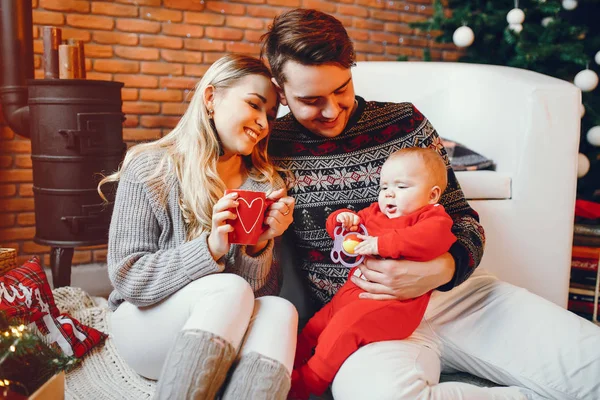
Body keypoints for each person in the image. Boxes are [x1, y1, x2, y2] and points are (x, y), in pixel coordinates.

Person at [263, 8, 600, 400]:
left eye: (341, 89)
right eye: (311, 100)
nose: (332, 110)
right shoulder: (271, 147)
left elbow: (463, 220)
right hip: (361, 321)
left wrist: (444, 267)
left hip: (455, 298)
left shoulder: (404, 123)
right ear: (280, 90)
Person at [98, 54, 298, 400]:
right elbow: (128, 277)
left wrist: (257, 247)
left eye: (270, 115)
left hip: (223, 327)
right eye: (254, 105)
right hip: (145, 324)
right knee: (230, 290)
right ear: (210, 98)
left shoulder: (262, 184)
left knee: (282, 311)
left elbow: (259, 298)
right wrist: (210, 248)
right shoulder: (153, 167)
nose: (264, 124)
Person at [290, 147, 456, 399]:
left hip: (393, 306)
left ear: (432, 195)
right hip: (351, 294)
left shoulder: (432, 219)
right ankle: (288, 361)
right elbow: (345, 230)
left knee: (345, 328)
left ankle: (310, 381)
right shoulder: (374, 213)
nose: (389, 193)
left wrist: (380, 244)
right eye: (384, 187)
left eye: (401, 187)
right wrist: (341, 219)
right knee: (315, 325)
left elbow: (431, 240)